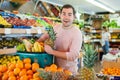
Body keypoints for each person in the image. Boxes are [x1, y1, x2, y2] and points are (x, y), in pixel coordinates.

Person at [37, 4, 82, 75]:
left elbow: (73, 55)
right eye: (64, 14)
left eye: (69, 14)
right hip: (55, 70)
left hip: (69, 73)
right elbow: (44, 36)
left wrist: (52, 52)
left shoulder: (77, 33)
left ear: (74, 17)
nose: (66, 17)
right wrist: (36, 43)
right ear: (60, 15)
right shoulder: (56, 27)